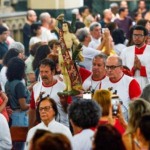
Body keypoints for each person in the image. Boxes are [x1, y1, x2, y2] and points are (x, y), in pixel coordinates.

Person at [29, 58, 68, 128]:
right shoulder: (36, 87)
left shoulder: (63, 87)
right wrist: (30, 128)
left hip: (60, 129)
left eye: (46, 72)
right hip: (42, 129)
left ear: (53, 72)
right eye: (41, 72)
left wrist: (64, 103)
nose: (43, 74)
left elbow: (69, 110)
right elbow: (32, 109)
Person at [101, 55, 141, 120]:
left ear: (121, 68)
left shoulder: (131, 82)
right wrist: (86, 95)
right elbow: (95, 100)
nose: (109, 70)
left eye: (113, 67)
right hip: (105, 119)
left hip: (123, 120)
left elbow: (137, 108)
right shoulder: (102, 80)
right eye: (107, 67)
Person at [5, 57, 30, 150]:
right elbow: (23, 106)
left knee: (14, 144)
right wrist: (34, 104)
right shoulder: (19, 84)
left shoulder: (8, 83)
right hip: (20, 117)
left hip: (11, 116)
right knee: (20, 145)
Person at [121, 25, 150, 90]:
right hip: (130, 84)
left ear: (145, 37)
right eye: (134, 35)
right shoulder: (125, 51)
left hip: (147, 85)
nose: (136, 38)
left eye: (139, 35)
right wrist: (133, 69)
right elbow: (121, 70)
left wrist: (141, 68)